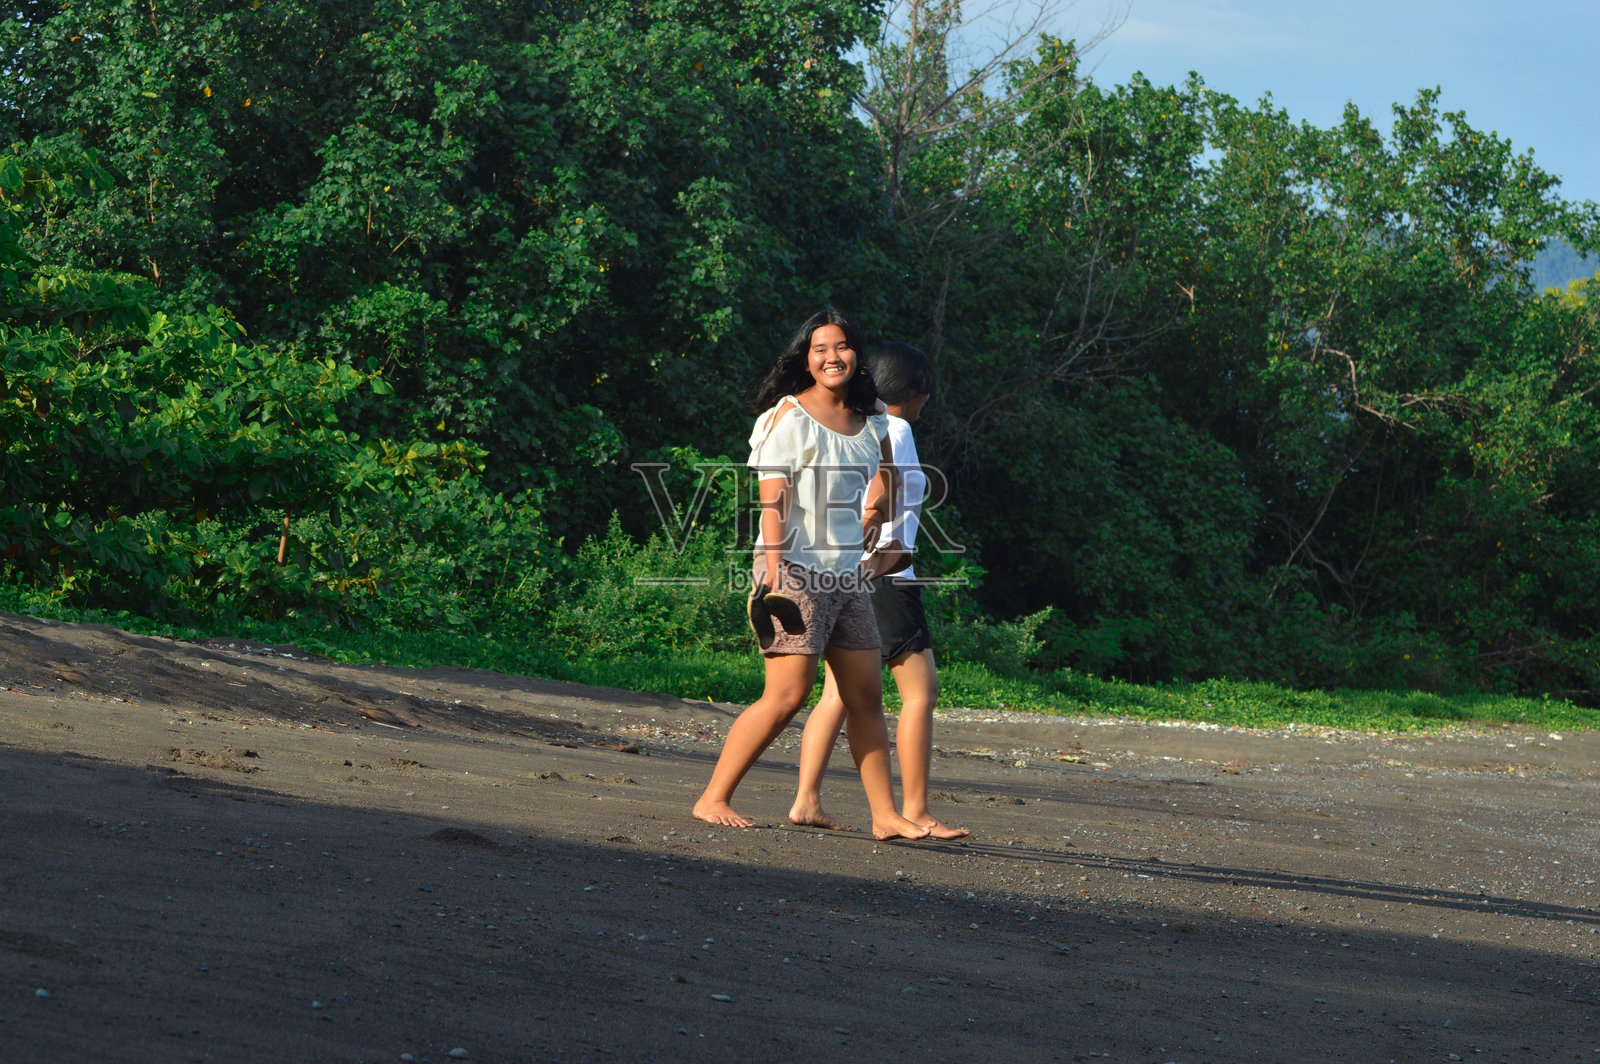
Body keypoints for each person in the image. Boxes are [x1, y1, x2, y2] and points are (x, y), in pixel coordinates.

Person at [691, 310, 930, 841]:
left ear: (856, 355)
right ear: (806, 357)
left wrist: (874, 513)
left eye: (842, 346)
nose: (832, 357)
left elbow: (888, 479)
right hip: (793, 569)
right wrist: (773, 580)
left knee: (865, 696)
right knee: (788, 693)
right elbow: (772, 508)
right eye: (820, 348)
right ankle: (713, 797)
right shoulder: (789, 417)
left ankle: (886, 817)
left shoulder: (872, 421)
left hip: (846, 577)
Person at [788, 342, 969, 839]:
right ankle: (915, 809)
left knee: (839, 695)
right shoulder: (897, 427)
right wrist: (878, 542)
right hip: (886, 575)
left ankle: (806, 800)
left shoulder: (849, 423)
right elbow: (879, 495)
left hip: (847, 571)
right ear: (915, 393)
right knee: (920, 692)